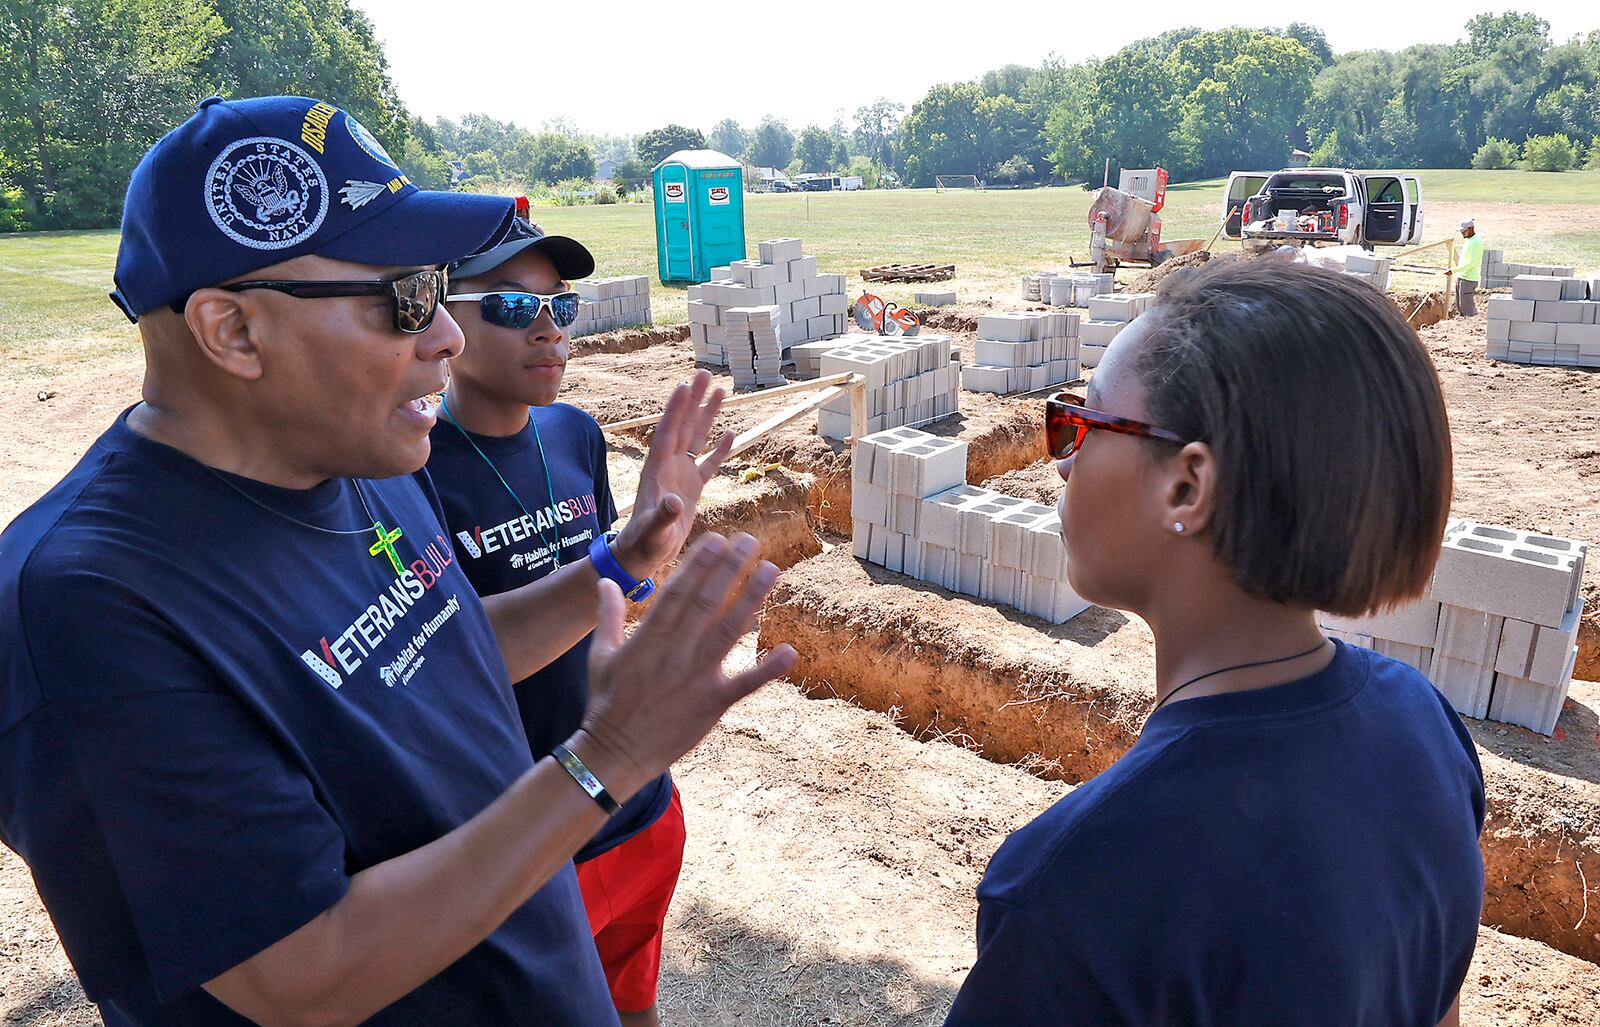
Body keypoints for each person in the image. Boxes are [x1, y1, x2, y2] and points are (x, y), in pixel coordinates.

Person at [0, 95, 795, 1026]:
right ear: (233, 331)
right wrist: (604, 759)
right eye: (406, 296)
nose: (448, 335)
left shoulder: (355, 452)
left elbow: (446, 651)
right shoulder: (86, 604)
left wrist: (623, 560)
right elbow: (302, 972)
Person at [947, 259, 1484, 1026]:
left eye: (1083, 423)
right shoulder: (1427, 729)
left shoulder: (1076, 892)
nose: (1060, 456)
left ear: (1188, 488)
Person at [425, 217, 708, 1026]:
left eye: (562, 306)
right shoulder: (412, 473)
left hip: (642, 805)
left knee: (635, 1004)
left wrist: (653, 565)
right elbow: (456, 656)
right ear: (446, 318)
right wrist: (621, 563)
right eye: (515, 308)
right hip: (534, 841)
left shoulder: (576, 433)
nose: (550, 329)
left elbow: (625, 594)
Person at [1450, 218, 1483, 317]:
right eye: (1461, 231)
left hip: (1469, 279)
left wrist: (1453, 270)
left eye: (1464, 230)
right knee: (1459, 305)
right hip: (1462, 277)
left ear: (1471, 228)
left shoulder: (1476, 242)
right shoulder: (1469, 240)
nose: (1462, 233)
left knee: (1466, 306)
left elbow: (1471, 263)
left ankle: (1471, 324)